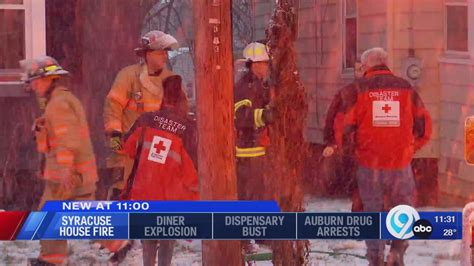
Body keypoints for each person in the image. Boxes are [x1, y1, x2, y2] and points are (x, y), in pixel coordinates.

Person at [342, 47, 432, 266]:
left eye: (362, 67)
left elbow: (345, 128)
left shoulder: (358, 90)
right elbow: (424, 126)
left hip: (369, 164)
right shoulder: (406, 88)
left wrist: (354, 151)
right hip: (400, 163)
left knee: (372, 212)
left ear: (368, 66)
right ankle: (397, 251)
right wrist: (410, 148)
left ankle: (375, 257)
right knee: (402, 208)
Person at [21, 56, 98, 266]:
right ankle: (51, 259)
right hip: (73, 175)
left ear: (49, 79)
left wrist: (64, 169)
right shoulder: (59, 102)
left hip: (70, 176)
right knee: (71, 215)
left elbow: (67, 139)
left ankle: (51, 260)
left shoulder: (58, 104)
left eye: (36, 81)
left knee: (54, 216)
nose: (34, 87)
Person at [122, 75, 199, 266]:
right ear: (182, 99)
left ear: (163, 98)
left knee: (148, 239)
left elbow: (127, 146)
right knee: (166, 240)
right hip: (169, 197)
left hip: (144, 191)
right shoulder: (187, 129)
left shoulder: (146, 120)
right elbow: (192, 172)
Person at [103, 30, 185, 200]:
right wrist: (115, 136)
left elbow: (180, 117)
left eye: (166, 52)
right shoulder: (128, 76)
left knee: (156, 196)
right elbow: (113, 106)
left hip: (158, 153)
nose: (164, 56)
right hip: (129, 151)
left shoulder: (171, 80)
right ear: (147, 54)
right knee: (123, 193)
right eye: (160, 51)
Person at [323, 61, 364, 211]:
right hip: (352, 150)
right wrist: (332, 142)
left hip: (368, 150)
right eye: (358, 69)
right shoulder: (346, 93)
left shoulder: (378, 93)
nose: (360, 73)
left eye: (363, 69)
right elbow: (331, 117)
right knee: (359, 187)